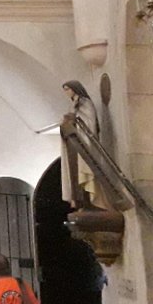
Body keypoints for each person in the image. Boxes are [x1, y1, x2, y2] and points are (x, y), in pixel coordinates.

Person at [60, 80, 104, 208]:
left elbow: (89, 122)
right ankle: (81, 201)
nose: (66, 92)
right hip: (74, 144)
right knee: (75, 173)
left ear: (75, 88)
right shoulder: (73, 104)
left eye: (68, 89)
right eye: (65, 90)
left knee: (85, 171)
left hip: (83, 142)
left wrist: (73, 119)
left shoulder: (85, 103)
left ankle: (90, 202)